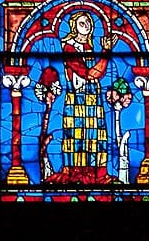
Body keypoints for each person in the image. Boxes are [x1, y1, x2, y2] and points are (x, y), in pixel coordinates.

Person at [53, 11, 115, 183]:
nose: (86, 26)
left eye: (88, 22)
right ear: (74, 27)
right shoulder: (69, 47)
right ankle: (76, 174)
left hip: (94, 97)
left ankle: (98, 174)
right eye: (82, 23)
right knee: (76, 136)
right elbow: (89, 74)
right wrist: (106, 52)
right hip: (77, 98)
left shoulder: (88, 47)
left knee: (97, 136)